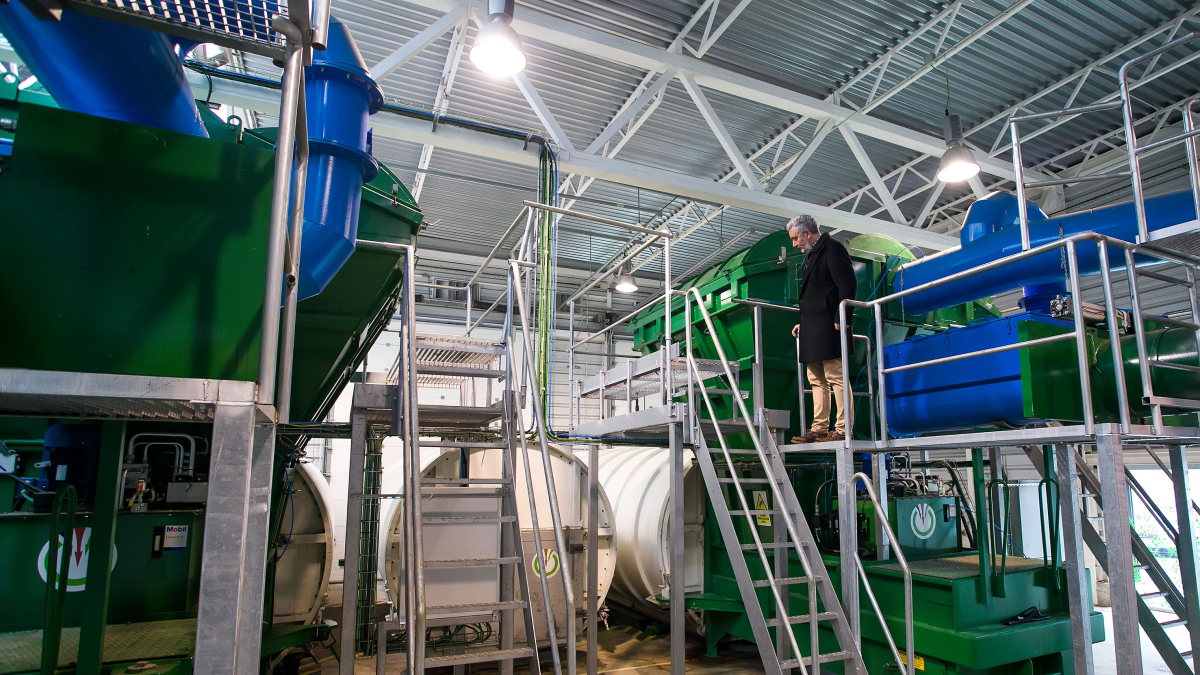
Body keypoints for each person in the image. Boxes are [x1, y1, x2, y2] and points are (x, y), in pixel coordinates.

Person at [788, 215, 857, 443]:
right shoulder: (813, 254)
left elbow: (847, 284)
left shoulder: (833, 249)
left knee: (836, 376)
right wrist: (805, 322)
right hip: (814, 326)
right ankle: (818, 429)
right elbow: (818, 293)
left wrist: (843, 316)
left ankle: (843, 430)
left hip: (831, 324)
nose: (794, 244)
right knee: (816, 379)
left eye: (796, 238)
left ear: (807, 233)